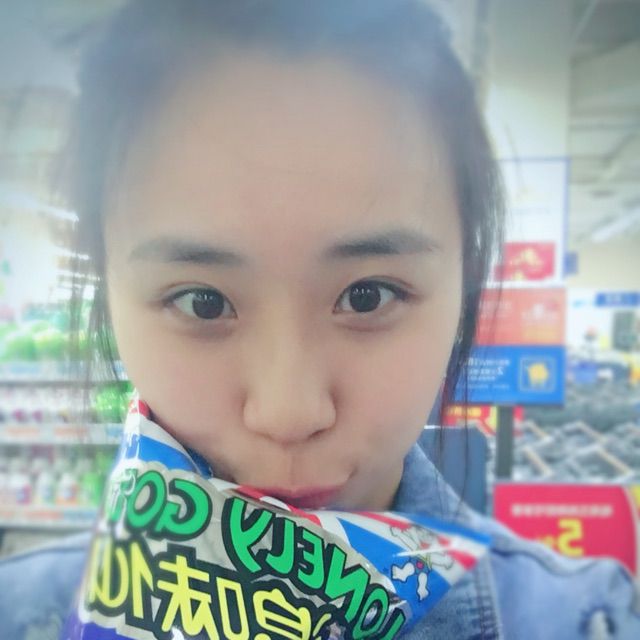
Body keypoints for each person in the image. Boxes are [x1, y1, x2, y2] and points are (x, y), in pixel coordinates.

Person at [1, 1, 639, 638]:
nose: (289, 414)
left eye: (368, 296)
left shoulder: (586, 622)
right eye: (202, 301)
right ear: (108, 292)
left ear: (461, 284)